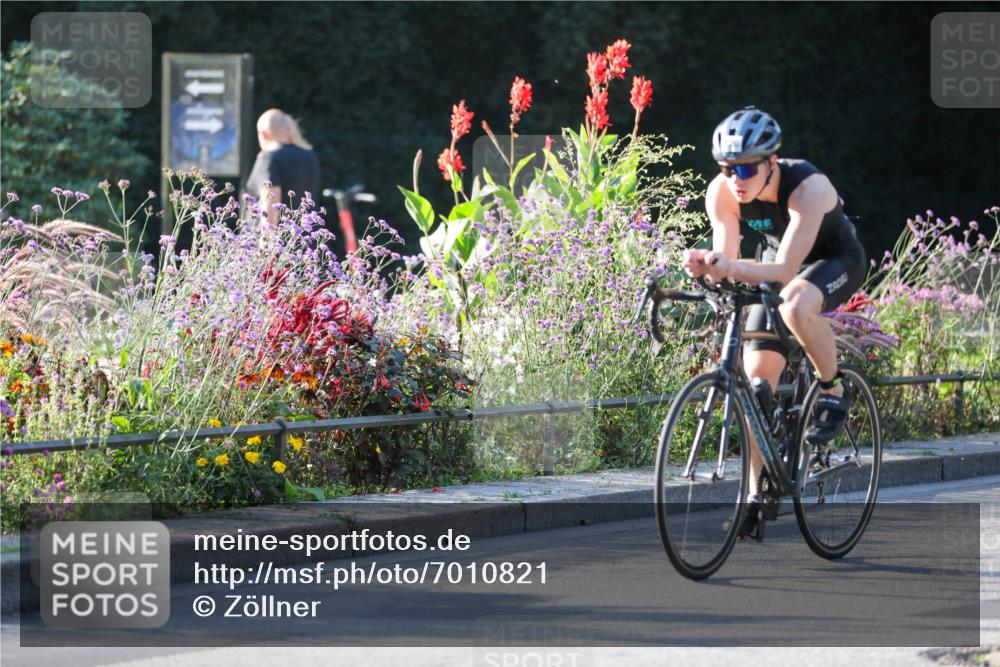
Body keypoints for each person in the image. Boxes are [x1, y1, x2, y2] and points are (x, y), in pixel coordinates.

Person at [681, 105, 866, 530]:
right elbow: (728, 258)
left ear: (770, 164)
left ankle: (833, 388)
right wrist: (706, 267)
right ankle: (753, 494)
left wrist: (726, 265)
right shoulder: (722, 192)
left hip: (834, 259)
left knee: (797, 304)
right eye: (727, 169)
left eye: (745, 171)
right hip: (775, 262)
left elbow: (784, 273)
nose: (735, 180)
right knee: (757, 383)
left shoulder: (808, 187)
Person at [244, 108, 321, 223]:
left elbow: (271, 204)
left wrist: (266, 239)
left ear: (263, 134)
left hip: (279, 238)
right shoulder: (309, 156)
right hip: (307, 236)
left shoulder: (269, 157)